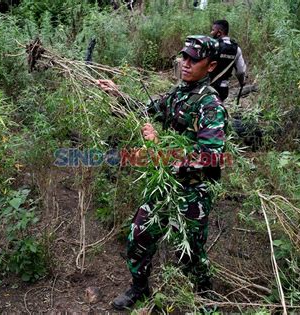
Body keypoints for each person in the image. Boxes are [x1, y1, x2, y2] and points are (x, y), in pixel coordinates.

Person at [97, 35, 228, 310]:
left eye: (195, 59)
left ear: (211, 66)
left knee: (190, 254)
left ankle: (204, 300)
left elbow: (211, 156)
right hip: (165, 184)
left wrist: (159, 147)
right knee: (139, 235)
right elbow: (147, 111)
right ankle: (139, 288)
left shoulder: (210, 105)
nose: (186, 63)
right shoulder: (178, 94)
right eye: (185, 57)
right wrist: (117, 94)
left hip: (192, 191)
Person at [210, 19, 247, 102]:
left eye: (213, 30)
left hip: (209, 87)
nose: (211, 33)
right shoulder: (236, 49)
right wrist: (242, 82)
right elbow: (240, 71)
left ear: (219, 32)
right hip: (223, 89)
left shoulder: (212, 46)